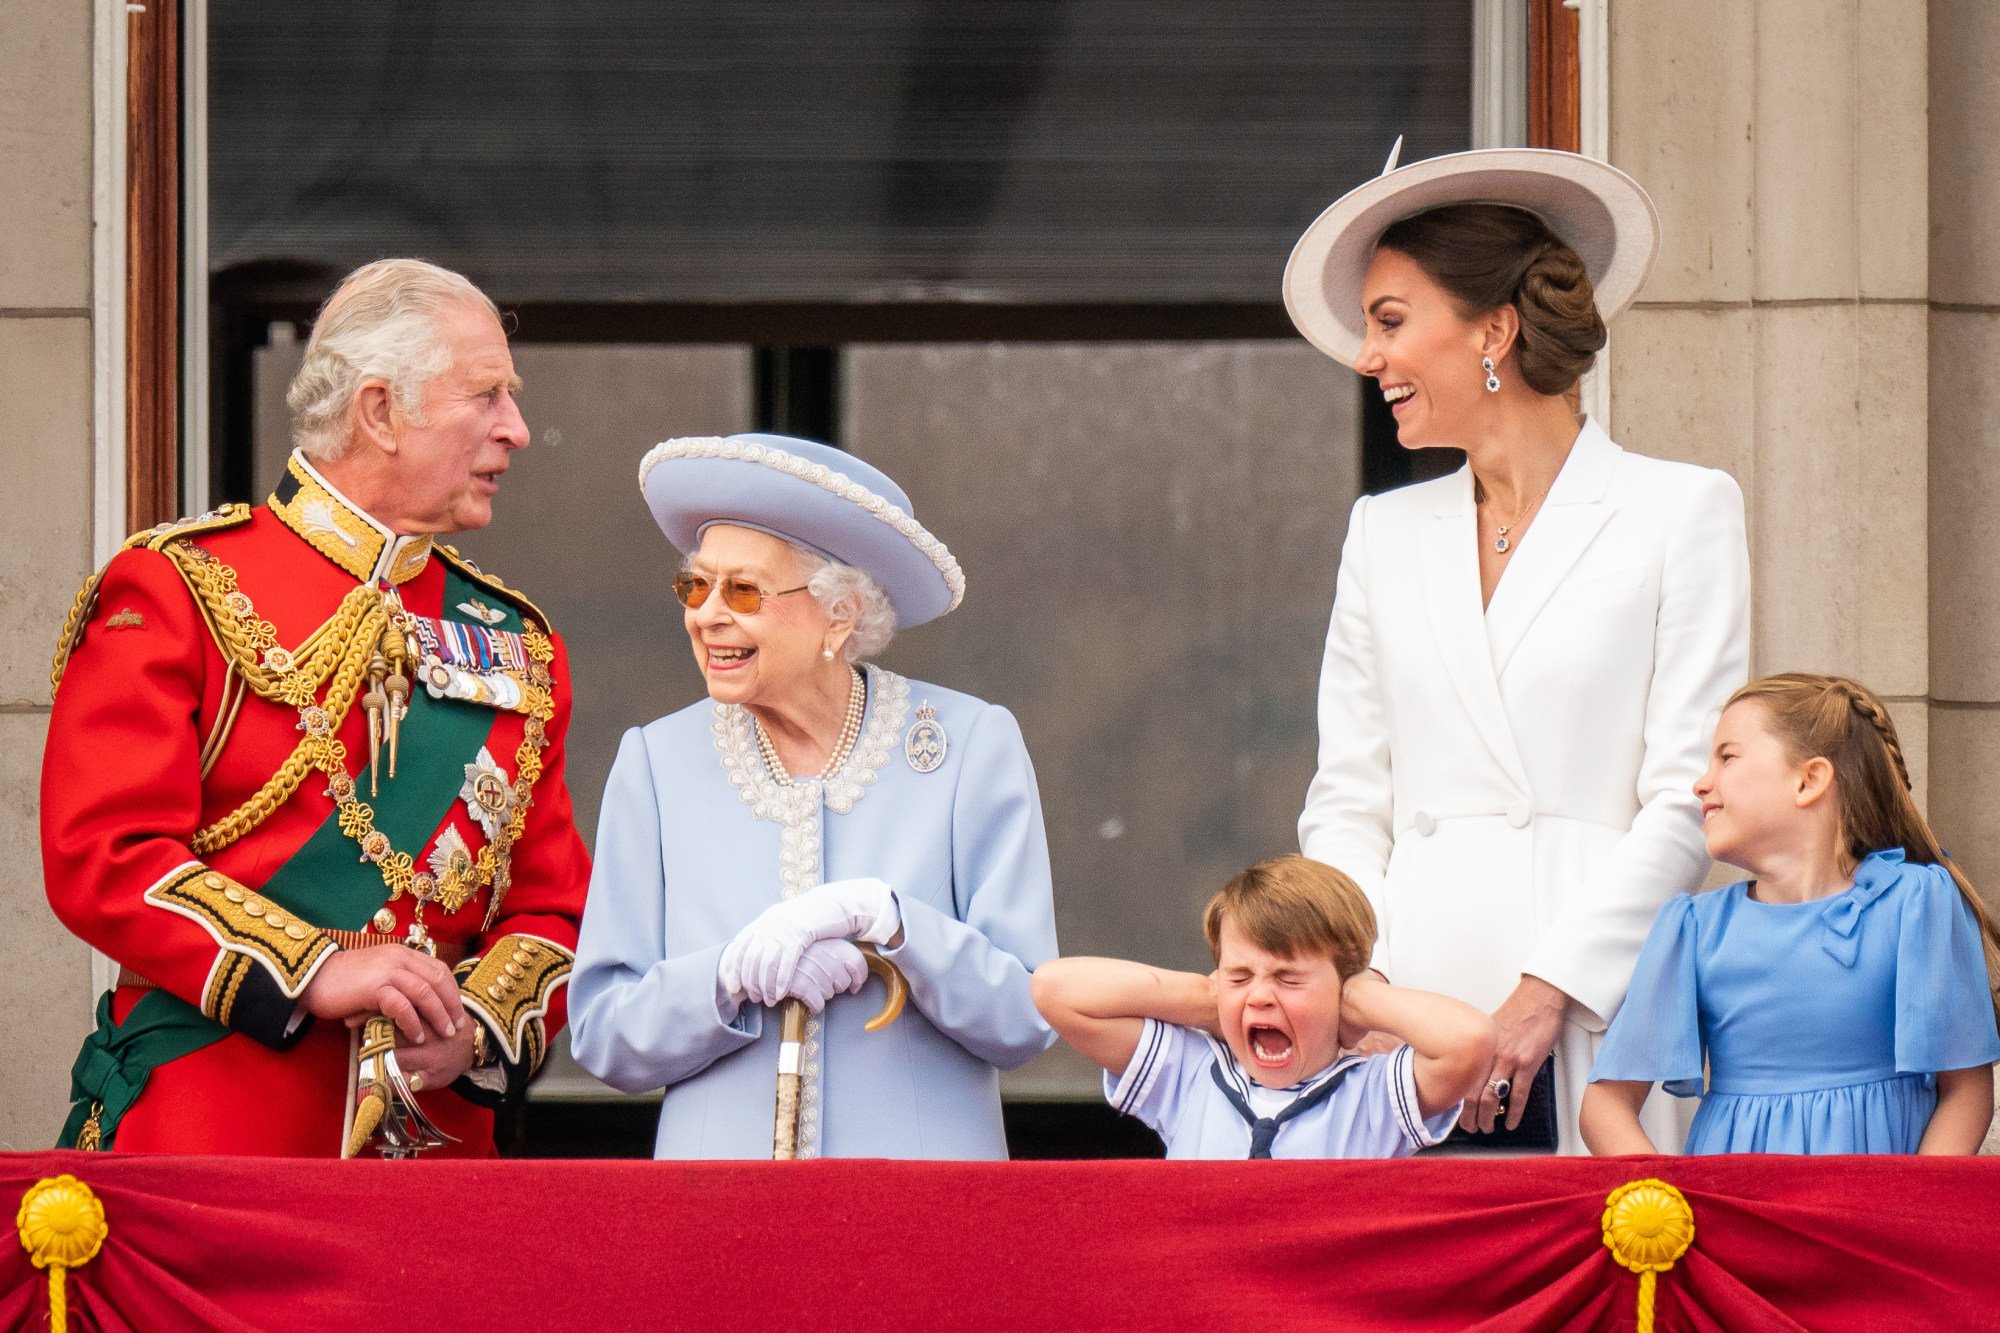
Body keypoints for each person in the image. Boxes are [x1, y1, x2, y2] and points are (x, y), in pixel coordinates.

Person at [42, 259, 591, 1156]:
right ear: (380, 411)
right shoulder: (182, 587)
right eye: (487, 395)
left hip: (433, 1161)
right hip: (215, 1138)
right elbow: (104, 854)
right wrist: (317, 970)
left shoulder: (519, 642)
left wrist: (476, 1027)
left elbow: (556, 910)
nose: (518, 430)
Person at [1282, 147, 1751, 1153]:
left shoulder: (1679, 511)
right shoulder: (1382, 532)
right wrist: (1360, 987)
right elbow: (1347, 797)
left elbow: (1685, 797)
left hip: (1594, 1005)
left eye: (1391, 321)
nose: (1369, 358)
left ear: (1492, 328)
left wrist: (1550, 990)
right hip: (1403, 1022)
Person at [568, 433, 1058, 1159]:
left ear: (841, 612)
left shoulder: (969, 745)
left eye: (743, 591)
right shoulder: (656, 762)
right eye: (694, 586)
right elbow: (605, 1035)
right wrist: (726, 975)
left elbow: (1024, 1017)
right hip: (719, 1211)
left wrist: (896, 926)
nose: (706, 614)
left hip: (921, 1211)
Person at [1581, 674, 2000, 1155]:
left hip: (1870, 1213)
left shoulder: (1916, 902)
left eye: (1727, 757)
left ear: (1809, 780)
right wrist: (1670, 1211)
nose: (1700, 784)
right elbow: (1604, 1105)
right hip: (1740, 1214)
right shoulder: (1693, 929)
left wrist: (1906, 1211)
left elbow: (1966, 1091)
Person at [1033, 854, 1492, 1159]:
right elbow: (1055, 989)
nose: (1260, 996)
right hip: (1200, 1303)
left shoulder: (1370, 1097)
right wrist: (1206, 1000)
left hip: (1314, 1305)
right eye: (1239, 976)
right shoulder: (1190, 1075)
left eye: (1289, 979)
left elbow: (1469, 1040)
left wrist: (1358, 999)